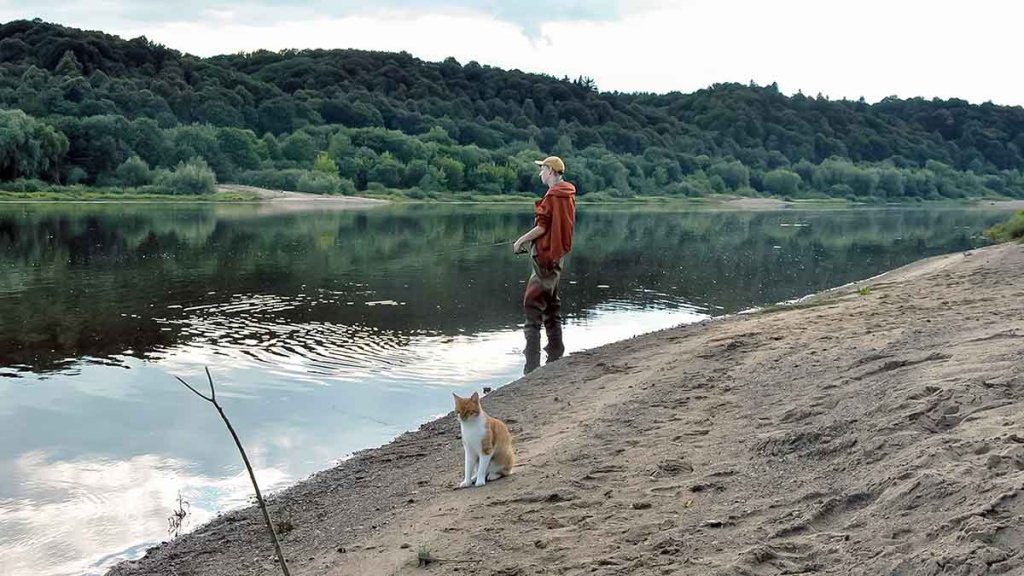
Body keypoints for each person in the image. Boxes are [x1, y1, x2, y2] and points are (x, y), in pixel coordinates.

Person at [513, 155, 576, 374]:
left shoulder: (553, 195)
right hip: (557, 256)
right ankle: (555, 351)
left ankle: (532, 361)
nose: (540, 173)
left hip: (545, 257)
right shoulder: (568, 193)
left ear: (550, 170)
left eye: (542, 169)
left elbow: (542, 227)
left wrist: (521, 240)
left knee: (532, 306)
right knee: (551, 306)